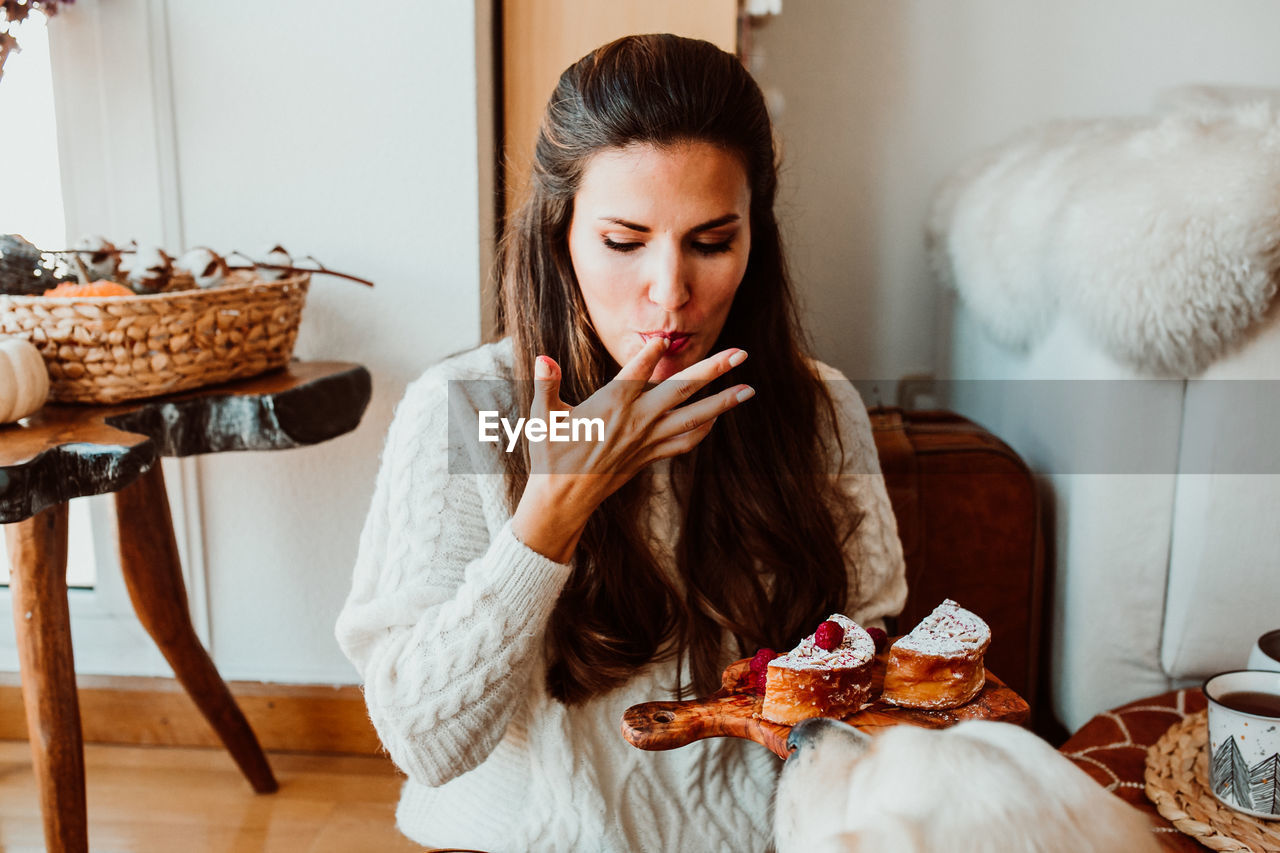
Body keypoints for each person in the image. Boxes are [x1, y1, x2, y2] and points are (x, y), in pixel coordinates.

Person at [336, 33, 906, 852]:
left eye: (712, 242)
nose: (670, 293)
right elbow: (427, 744)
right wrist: (550, 515)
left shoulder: (818, 406)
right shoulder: (466, 409)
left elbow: (870, 654)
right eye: (624, 241)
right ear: (561, 233)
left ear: (757, 236)